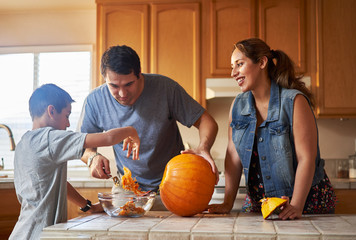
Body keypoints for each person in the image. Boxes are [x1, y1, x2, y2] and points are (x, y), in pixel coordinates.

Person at [208, 38, 336, 219]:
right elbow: (233, 155)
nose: (233, 73)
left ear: (261, 62)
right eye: (232, 66)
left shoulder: (294, 102)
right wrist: (227, 203)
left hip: (305, 204)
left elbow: (306, 158)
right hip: (261, 205)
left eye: (239, 64)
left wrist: (297, 205)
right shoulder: (237, 106)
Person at [79, 45, 219, 193]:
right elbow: (80, 146)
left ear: (139, 74)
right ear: (104, 79)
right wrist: (92, 157)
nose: (122, 93)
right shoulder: (95, 101)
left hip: (175, 184)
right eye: (113, 86)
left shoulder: (166, 89)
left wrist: (203, 147)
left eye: (129, 84)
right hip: (127, 187)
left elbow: (206, 121)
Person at [10, 84, 140, 240]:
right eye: (66, 115)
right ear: (51, 111)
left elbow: (55, 184)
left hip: (22, 232)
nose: (68, 124)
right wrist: (131, 130)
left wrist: (87, 206)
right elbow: (108, 138)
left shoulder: (24, 143)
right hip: (40, 235)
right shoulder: (50, 138)